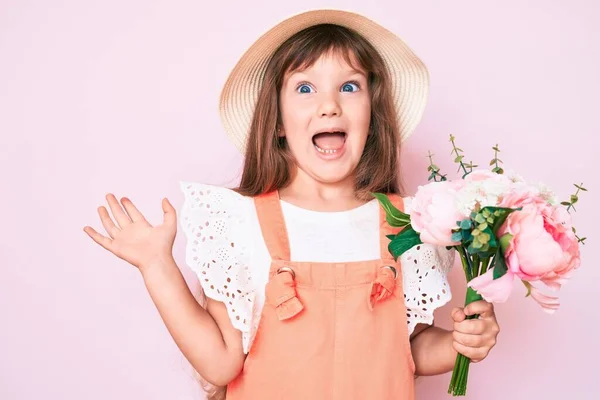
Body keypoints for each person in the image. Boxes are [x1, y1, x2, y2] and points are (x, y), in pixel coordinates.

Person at [84, 9, 500, 400]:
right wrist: (157, 265)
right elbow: (219, 363)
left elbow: (409, 348)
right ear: (279, 122)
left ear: (372, 118)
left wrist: (458, 344)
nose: (329, 104)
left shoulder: (408, 224)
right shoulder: (240, 221)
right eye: (305, 88)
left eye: (349, 86)